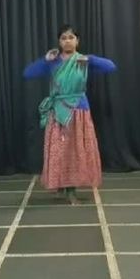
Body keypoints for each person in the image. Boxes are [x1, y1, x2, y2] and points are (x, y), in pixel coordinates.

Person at [23, 24, 117, 205]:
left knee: (75, 150)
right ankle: (60, 186)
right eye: (64, 38)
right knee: (59, 151)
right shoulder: (53, 61)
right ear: (59, 42)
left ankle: (71, 190)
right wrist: (45, 60)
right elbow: (28, 73)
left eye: (71, 37)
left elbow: (111, 66)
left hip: (79, 110)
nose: (67, 41)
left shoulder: (82, 61)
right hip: (58, 111)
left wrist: (90, 59)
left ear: (77, 41)